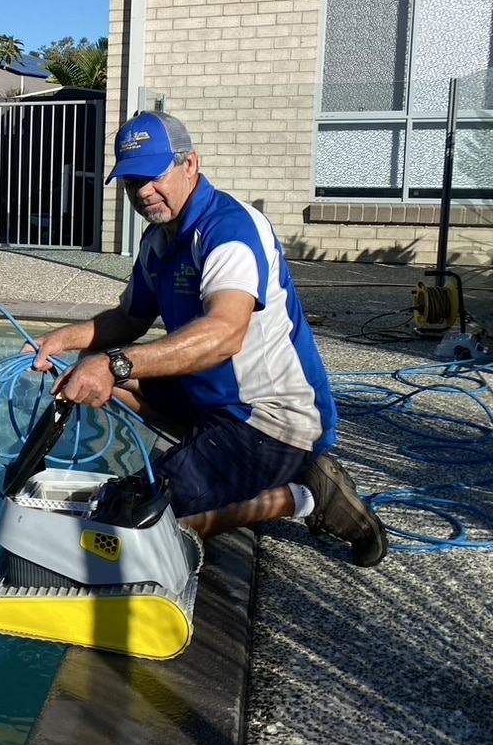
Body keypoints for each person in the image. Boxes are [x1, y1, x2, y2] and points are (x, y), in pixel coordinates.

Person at [30, 112, 389, 566]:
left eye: (153, 176)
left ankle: (306, 495)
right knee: (100, 372)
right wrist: (64, 340)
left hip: (271, 417)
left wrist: (114, 364)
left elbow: (224, 334)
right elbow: (128, 318)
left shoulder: (230, 231)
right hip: (214, 403)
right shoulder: (158, 240)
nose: (142, 192)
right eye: (131, 181)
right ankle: (223, 460)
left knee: (148, 525)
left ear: (191, 165)